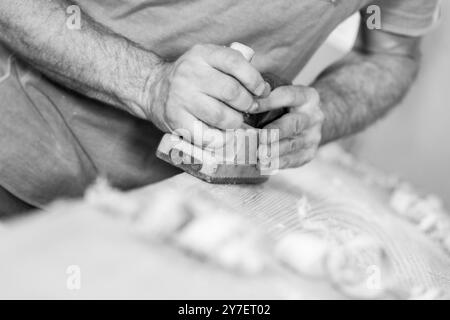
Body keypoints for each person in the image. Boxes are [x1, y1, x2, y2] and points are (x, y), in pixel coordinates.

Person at [0, 0, 440, 216]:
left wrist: (326, 111)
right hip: (15, 156)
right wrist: (149, 83)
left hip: (172, 212)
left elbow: (389, 55)